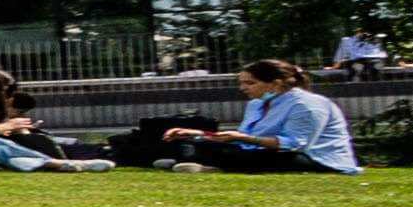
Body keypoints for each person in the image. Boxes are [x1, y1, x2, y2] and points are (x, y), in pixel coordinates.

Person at [130, 59, 358, 174]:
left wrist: (242, 139)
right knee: (189, 143)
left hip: (313, 157)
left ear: (275, 83)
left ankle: (206, 164)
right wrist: (199, 134)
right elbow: (243, 137)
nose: (244, 88)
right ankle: (200, 160)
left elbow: (295, 145)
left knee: (261, 158)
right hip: (261, 150)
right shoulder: (257, 104)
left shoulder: (308, 105)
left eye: (250, 83)